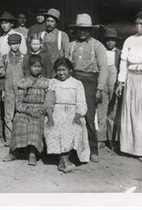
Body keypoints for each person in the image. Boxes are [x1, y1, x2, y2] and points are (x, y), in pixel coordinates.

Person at [68, 13, 108, 162]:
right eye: (80, 29)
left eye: (85, 29)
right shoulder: (71, 45)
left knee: (89, 116)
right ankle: (72, 148)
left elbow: (104, 68)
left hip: (90, 82)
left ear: (90, 30)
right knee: (73, 114)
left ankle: (93, 149)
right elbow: (65, 65)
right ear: (76, 30)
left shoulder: (97, 46)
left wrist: (99, 89)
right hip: (73, 81)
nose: (82, 32)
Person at [3, 55, 52, 166]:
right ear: (29, 68)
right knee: (19, 122)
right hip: (26, 109)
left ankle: (32, 153)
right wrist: (28, 111)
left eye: (39, 67)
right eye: (34, 66)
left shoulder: (46, 82)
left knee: (35, 125)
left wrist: (41, 111)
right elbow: (19, 103)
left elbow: (48, 101)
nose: (37, 69)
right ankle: (15, 152)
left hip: (40, 109)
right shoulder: (23, 82)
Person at [44, 58, 90, 172]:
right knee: (54, 129)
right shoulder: (53, 82)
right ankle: (65, 161)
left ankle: (63, 161)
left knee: (74, 129)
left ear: (70, 70)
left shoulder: (77, 84)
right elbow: (49, 102)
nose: (61, 73)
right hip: (56, 111)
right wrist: (50, 117)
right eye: (58, 70)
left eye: (64, 70)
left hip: (73, 112)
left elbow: (81, 103)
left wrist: (78, 116)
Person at [116, 12, 142, 162]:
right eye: (137, 24)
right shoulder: (129, 40)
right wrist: (121, 82)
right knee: (130, 111)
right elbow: (123, 63)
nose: (138, 27)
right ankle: (128, 147)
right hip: (131, 79)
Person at [98, 28, 122, 147]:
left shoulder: (120, 53)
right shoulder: (101, 51)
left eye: (112, 40)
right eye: (108, 40)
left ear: (116, 41)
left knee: (113, 110)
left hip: (114, 82)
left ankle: (112, 140)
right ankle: (101, 139)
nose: (110, 42)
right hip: (103, 81)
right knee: (101, 109)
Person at [3, 33, 26, 146]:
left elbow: (26, 76)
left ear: (20, 44)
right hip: (8, 89)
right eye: (13, 44)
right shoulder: (5, 58)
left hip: (20, 89)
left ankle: (19, 136)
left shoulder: (23, 57)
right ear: (9, 44)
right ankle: (8, 137)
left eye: (17, 44)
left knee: (20, 112)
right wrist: (2, 90)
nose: (15, 46)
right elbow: (2, 76)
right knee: (8, 114)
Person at [39, 8, 70, 78]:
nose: (49, 23)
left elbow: (67, 55)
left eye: (52, 21)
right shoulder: (41, 35)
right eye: (48, 21)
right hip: (44, 69)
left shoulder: (62, 35)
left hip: (57, 71)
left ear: (56, 23)